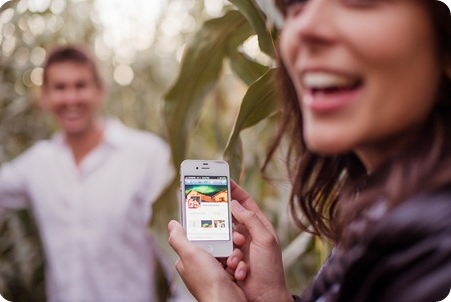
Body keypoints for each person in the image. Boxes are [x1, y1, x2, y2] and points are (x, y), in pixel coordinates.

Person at [168, 0, 451, 301]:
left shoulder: (434, 250)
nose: (301, 29)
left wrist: (218, 296)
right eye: (295, 5)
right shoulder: (380, 215)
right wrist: (272, 296)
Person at [0, 44, 188, 301]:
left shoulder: (148, 156)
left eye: (80, 85)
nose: (71, 99)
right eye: (60, 87)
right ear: (44, 96)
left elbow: (182, 251)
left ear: (100, 91)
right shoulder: (36, 164)